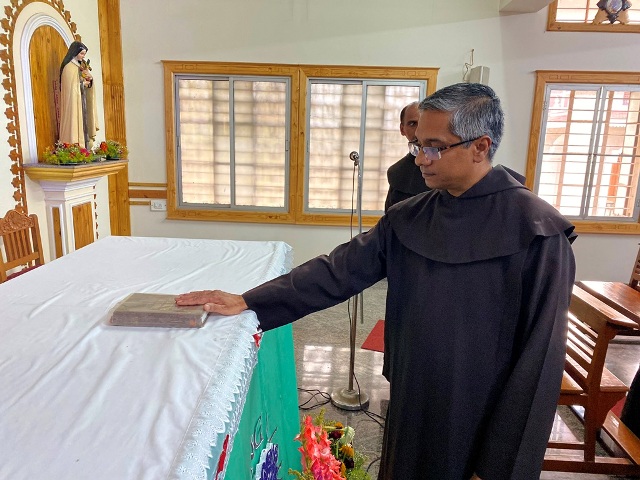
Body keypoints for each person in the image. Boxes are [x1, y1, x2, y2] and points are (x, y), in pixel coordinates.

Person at [176, 83, 577, 480]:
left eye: (434, 147)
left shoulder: (537, 233)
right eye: (417, 145)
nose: (420, 159)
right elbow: (338, 271)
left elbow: (539, 361)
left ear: (480, 147)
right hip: (412, 394)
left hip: (481, 413)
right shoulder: (410, 216)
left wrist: (498, 468)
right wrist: (251, 301)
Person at [384, 101, 431, 212]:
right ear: (402, 129)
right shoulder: (397, 173)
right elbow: (391, 216)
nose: (419, 130)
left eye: (424, 123)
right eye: (413, 124)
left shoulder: (449, 164)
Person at [58, 41, 99, 149]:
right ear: (75, 52)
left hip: (82, 102)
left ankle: (86, 145)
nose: (83, 56)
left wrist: (90, 81)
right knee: (75, 124)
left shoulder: (80, 67)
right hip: (73, 105)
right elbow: (69, 89)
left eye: (84, 54)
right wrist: (81, 84)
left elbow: (86, 82)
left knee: (85, 124)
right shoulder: (68, 68)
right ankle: (74, 145)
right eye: (81, 53)